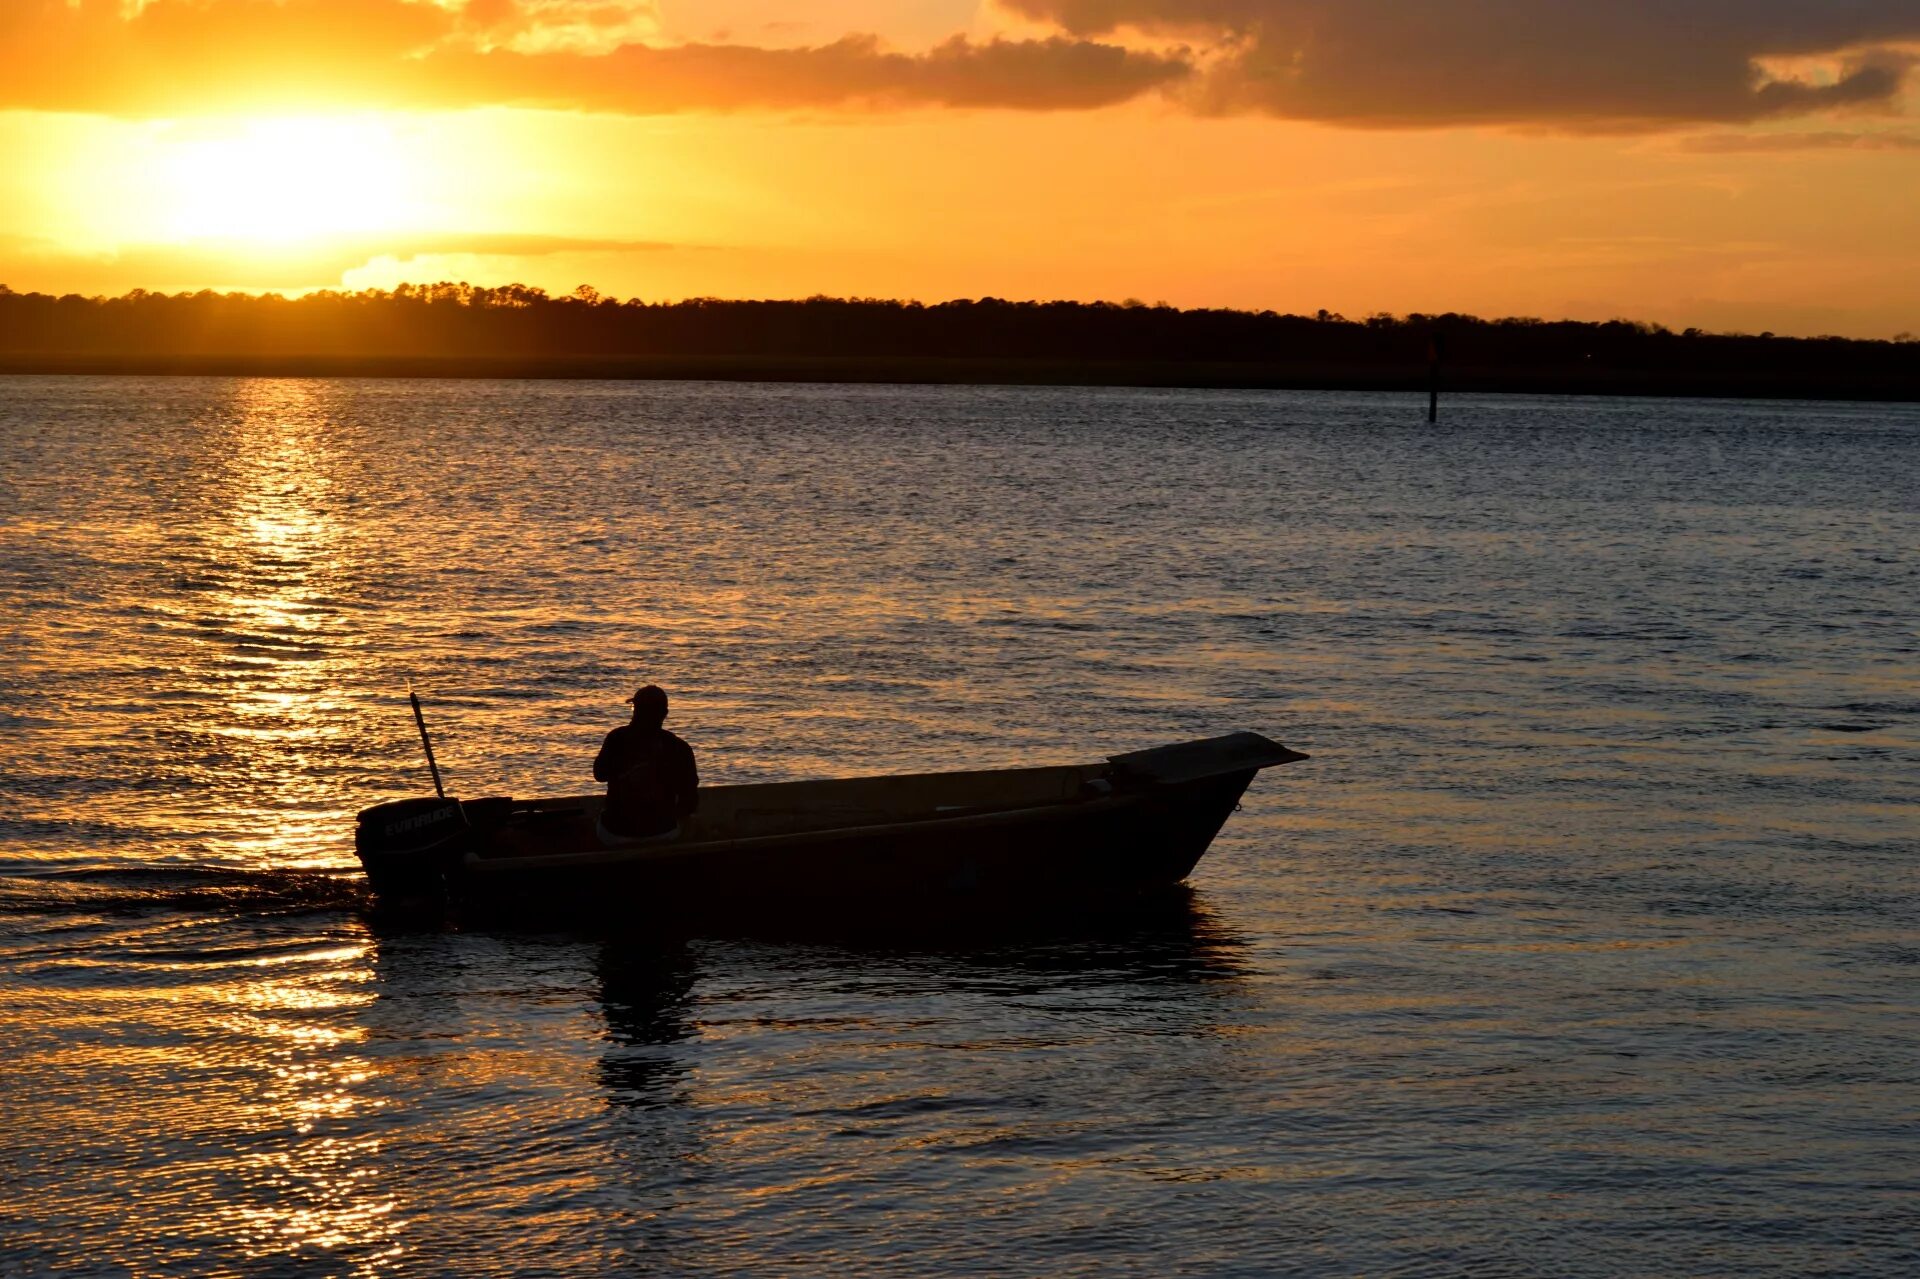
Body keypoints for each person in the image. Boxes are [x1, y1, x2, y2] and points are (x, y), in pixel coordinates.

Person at [592, 685, 698, 846]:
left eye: (634, 707)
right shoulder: (679, 747)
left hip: (615, 834)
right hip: (663, 833)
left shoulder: (616, 738)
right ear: (665, 714)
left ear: (635, 711)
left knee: (600, 812)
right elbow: (690, 802)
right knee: (691, 823)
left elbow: (599, 775)